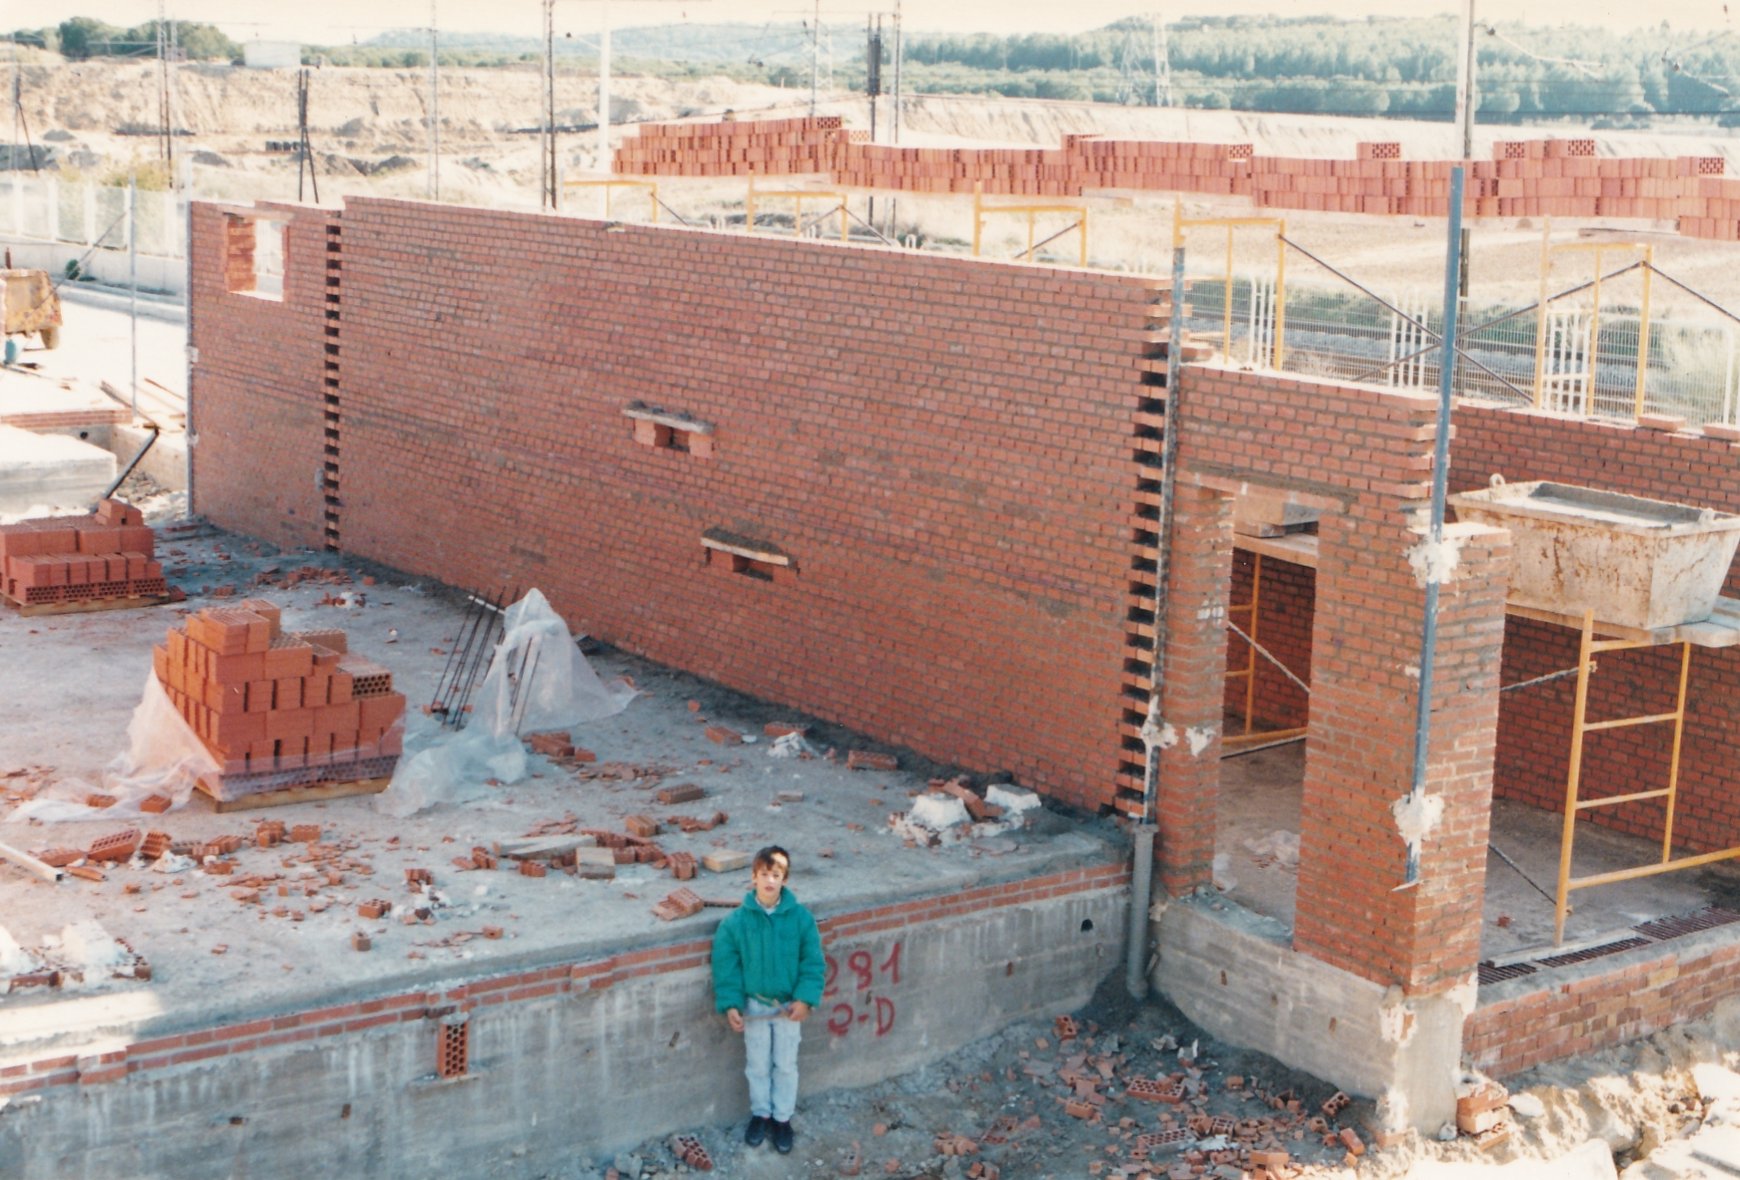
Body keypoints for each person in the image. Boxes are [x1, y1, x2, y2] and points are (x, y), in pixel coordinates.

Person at [711, 845, 825, 1155]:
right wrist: (731, 1003)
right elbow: (726, 966)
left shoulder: (801, 920)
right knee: (757, 1064)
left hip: (787, 1008)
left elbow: (812, 963)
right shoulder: (736, 922)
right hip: (755, 1005)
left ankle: (782, 1118)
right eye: (764, 875)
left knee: (785, 1064)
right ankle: (761, 1113)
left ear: (785, 879)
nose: (770, 881)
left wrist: (805, 999)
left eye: (776, 875)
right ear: (753, 877)